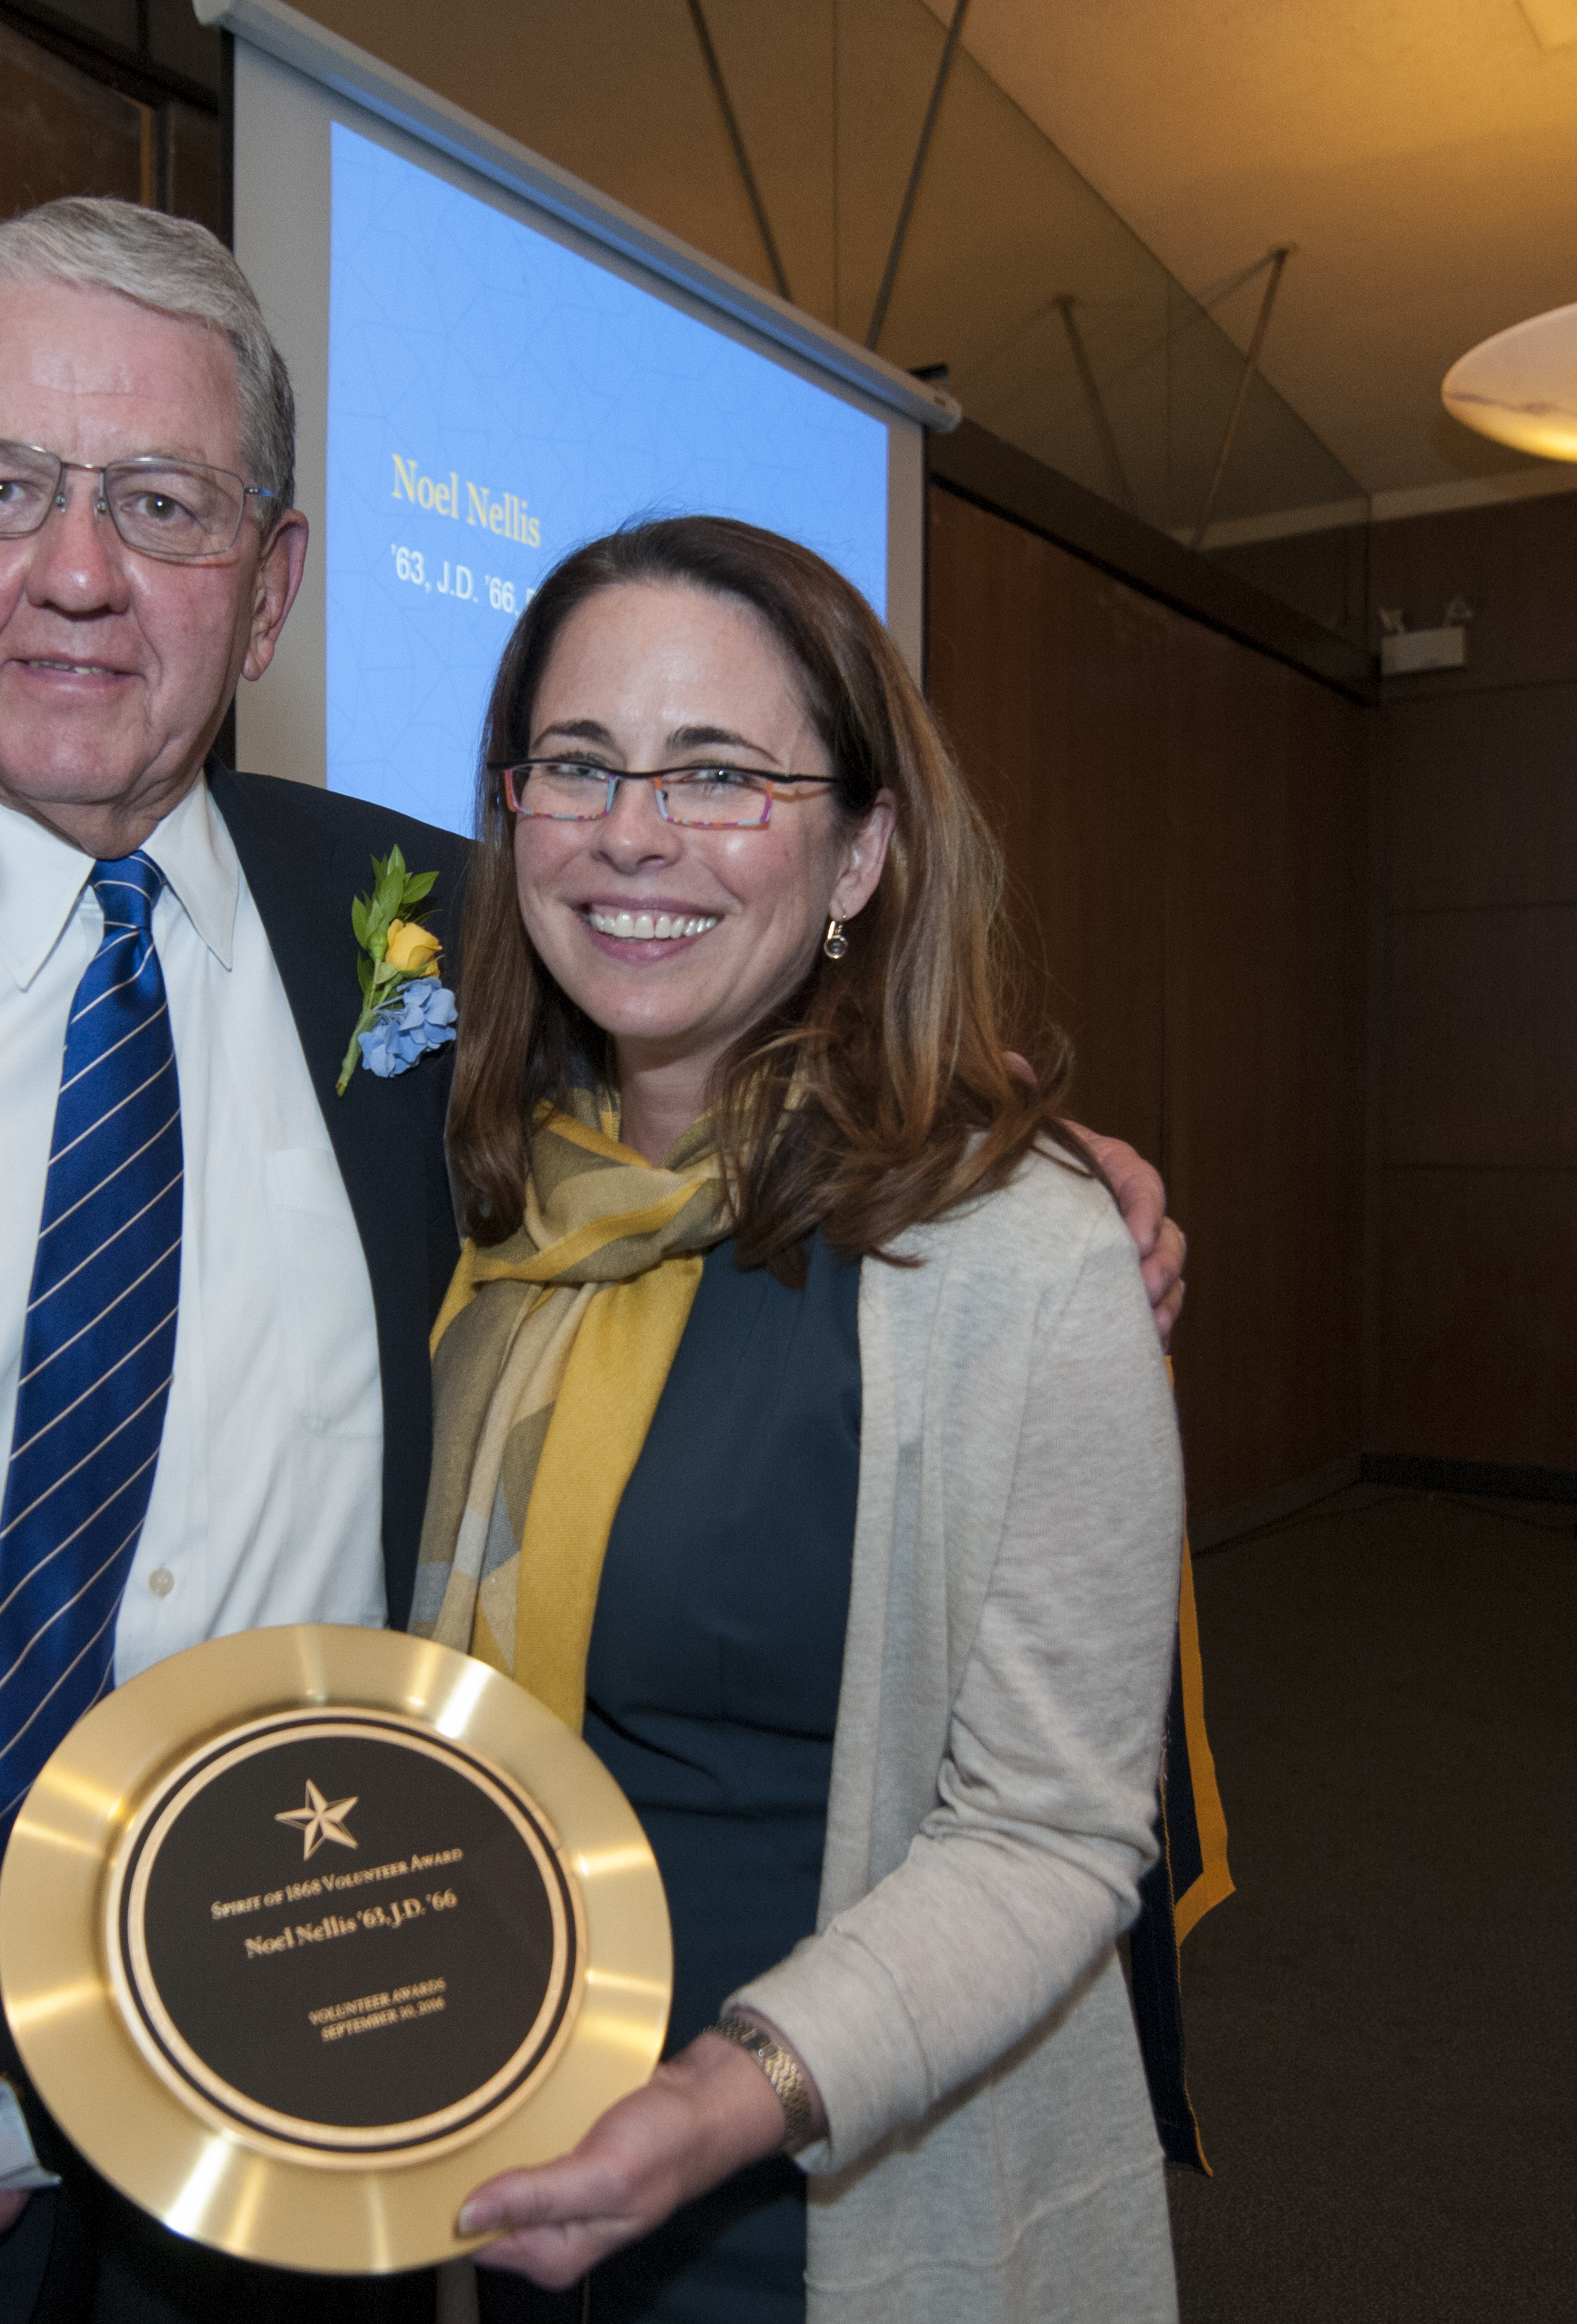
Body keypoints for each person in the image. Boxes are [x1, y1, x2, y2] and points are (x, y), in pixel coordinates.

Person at [0, 202, 1187, 2321]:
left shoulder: (446, 936)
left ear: (271, 584)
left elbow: (724, 1066)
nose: (79, 570)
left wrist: (1018, 1146)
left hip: (323, 2131)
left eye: (162, 503)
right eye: (3, 489)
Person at [416, 517, 1183, 2323]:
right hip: (485, 2159)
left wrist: (718, 2095)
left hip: (829, 2194)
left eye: (719, 775)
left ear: (858, 850)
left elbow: (1053, 1830)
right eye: (579, 765)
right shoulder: (473, 1203)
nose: (630, 832)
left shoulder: (1012, 1255)